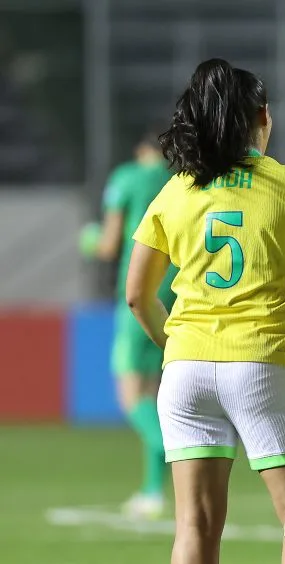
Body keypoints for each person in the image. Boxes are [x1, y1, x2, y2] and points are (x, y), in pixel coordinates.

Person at [125, 58, 285, 564]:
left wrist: (178, 347)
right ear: (262, 117)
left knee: (195, 527)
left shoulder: (176, 190)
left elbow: (137, 295)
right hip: (263, 364)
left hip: (185, 371)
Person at [79, 130, 177, 518]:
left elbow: (108, 242)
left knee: (130, 395)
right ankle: (153, 490)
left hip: (139, 289)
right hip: (175, 289)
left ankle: (171, 449)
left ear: (140, 149)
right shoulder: (178, 181)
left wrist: (86, 239)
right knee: (153, 394)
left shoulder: (126, 177)